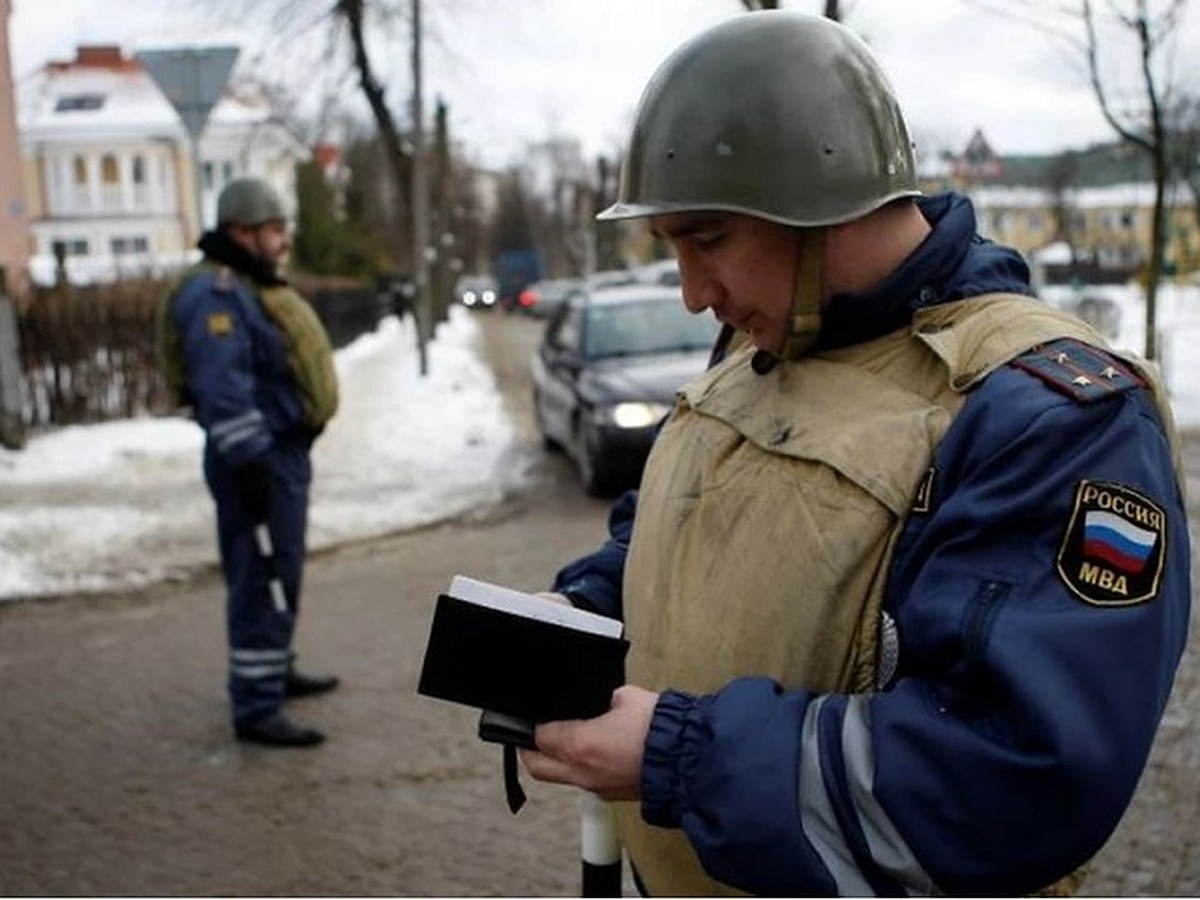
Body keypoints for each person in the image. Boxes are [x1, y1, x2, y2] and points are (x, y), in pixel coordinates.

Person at [519, 11, 1191, 896]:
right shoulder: (763, 343)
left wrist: (680, 756)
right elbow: (669, 528)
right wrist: (576, 615)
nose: (690, 294)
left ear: (818, 203)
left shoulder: (1050, 415)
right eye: (671, 248)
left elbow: (1018, 778)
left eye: (708, 240)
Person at [159, 177, 341, 748]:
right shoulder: (215, 294)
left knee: (280, 570)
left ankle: (275, 670)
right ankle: (257, 708)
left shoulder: (242, 285)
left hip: (275, 456)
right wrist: (254, 465)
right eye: (273, 229)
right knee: (260, 576)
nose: (282, 240)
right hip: (253, 461)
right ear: (242, 230)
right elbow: (224, 391)